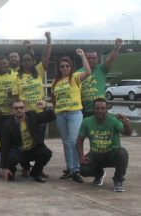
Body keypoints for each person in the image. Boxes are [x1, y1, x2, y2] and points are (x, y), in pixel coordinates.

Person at [51, 49, 91, 183]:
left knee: (74, 141)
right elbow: (53, 97)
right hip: (61, 115)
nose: (64, 68)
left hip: (74, 113)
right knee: (66, 143)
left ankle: (76, 170)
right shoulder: (55, 82)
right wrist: (56, 109)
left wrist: (82, 56)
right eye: (62, 66)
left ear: (71, 67)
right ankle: (69, 168)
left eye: (67, 66)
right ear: (59, 68)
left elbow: (88, 72)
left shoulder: (75, 77)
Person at [77, 98, 132, 192]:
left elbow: (127, 133)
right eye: (97, 108)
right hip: (95, 153)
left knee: (122, 153)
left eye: (102, 108)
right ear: (93, 109)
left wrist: (126, 125)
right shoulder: (87, 121)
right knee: (83, 170)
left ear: (106, 109)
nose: (100, 111)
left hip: (111, 154)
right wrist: (81, 156)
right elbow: (79, 140)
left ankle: (118, 180)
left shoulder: (114, 120)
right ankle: (99, 174)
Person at [0, 100, 56, 183]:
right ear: (12, 111)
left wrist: (45, 108)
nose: (19, 110)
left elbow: (52, 117)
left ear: (25, 109)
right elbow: (4, 145)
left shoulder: (32, 115)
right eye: (16, 108)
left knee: (46, 153)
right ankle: (11, 171)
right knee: (10, 159)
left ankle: (35, 173)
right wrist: (4, 167)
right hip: (18, 151)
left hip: (32, 149)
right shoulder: (7, 124)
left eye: (21, 107)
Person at [77, 39, 123, 117]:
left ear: (97, 59)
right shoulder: (78, 73)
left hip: (101, 109)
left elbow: (110, 59)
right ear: (85, 58)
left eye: (94, 58)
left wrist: (117, 47)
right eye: (89, 58)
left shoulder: (102, 69)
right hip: (84, 110)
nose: (91, 60)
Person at [13, 32, 52, 112]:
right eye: (25, 60)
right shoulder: (17, 76)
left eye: (29, 60)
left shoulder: (38, 71)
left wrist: (48, 40)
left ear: (33, 62)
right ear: (21, 62)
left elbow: (46, 56)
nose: (27, 61)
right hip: (26, 114)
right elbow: (16, 98)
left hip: (40, 111)